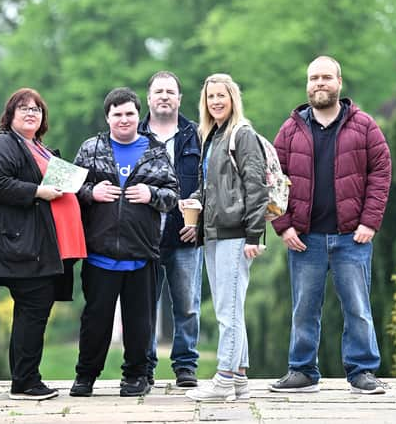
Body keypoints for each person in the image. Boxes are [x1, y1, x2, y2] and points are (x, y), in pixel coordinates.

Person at [269, 56, 392, 395]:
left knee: (358, 309)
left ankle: (363, 371)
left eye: (326, 77)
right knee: (304, 309)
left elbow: (381, 173)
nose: (319, 83)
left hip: (352, 237)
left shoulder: (364, 126)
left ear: (339, 82)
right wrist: (284, 226)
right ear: (307, 85)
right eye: (313, 78)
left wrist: (370, 222)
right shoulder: (290, 129)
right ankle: (302, 370)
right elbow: (273, 180)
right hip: (304, 238)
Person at [69, 87, 179, 397]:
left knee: (139, 323)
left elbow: (173, 195)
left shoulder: (155, 151)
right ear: (108, 117)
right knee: (95, 321)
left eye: (130, 113)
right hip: (99, 253)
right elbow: (71, 190)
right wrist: (92, 193)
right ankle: (85, 377)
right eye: (117, 114)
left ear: (137, 115)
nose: (124, 119)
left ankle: (135, 377)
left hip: (141, 253)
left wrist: (151, 195)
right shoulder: (91, 148)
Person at [0, 87, 87, 400]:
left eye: (37, 109)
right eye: (24, 108)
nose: (31, 113)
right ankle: (25, 383)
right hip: (22, 247)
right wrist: (38, 192)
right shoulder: (2, 143)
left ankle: (26, 379)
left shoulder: (38, 147)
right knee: (33, 311)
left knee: (32, 312)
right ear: (10, 115)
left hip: (44, 247)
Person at [184, 73, 268, 402]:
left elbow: (256, 187)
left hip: (236, 235)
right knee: (230, 307)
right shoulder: (213, 136)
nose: (216, 101)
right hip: (214, 233)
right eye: (210, 97)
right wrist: (194, 200)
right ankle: (240, 380)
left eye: (222, 95)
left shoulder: (241, 134)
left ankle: (223, 381)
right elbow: (214, 188)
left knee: (227, 310)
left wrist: (254, 235)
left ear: (233, 98)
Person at [137, 71, 203, 388]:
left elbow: (209, 184)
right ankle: (144, 365)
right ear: (149, 98)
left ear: (179, 99)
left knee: (188, 305)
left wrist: (199, 224)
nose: (164, 96)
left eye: (170, 91)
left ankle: (186, 366)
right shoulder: (132, 135)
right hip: (144, 236)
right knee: (144, 306)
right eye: (158, 91)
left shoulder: (196, 135)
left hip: (185, 236)